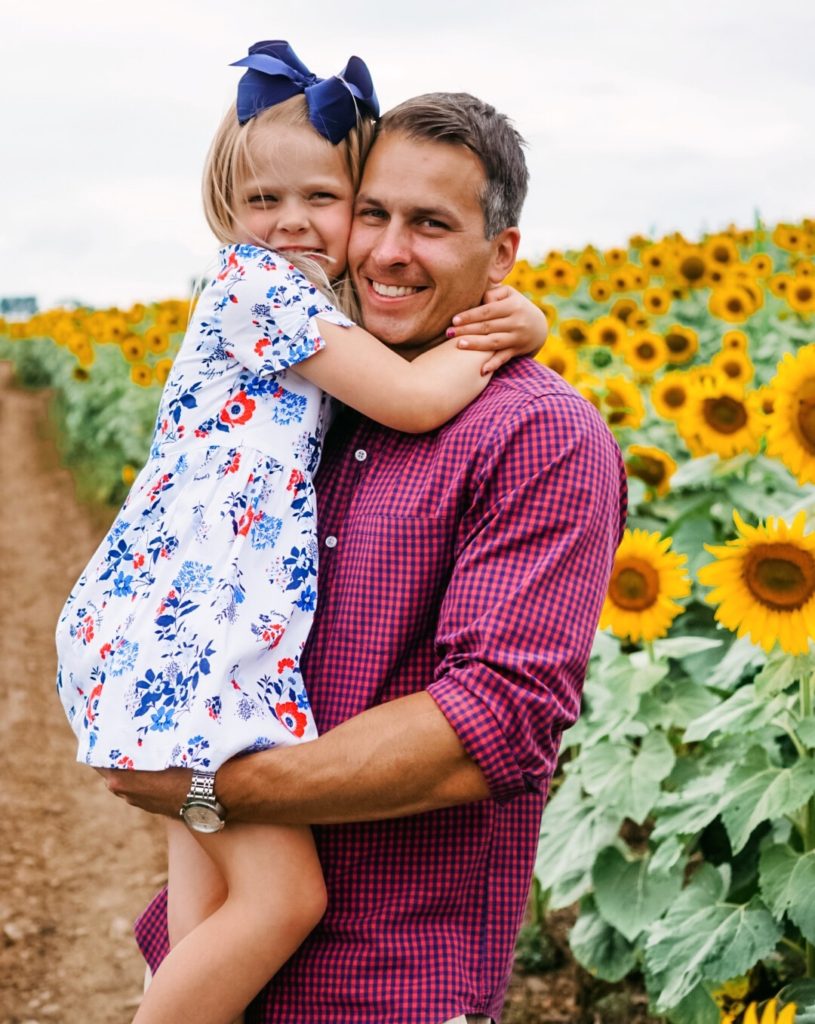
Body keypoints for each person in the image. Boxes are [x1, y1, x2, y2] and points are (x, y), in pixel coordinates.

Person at [100, 82, 627, 1024]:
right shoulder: (313, 393)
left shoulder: (539, 437)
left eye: (429, 223)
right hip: (214, 953)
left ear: (499, 253)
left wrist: (208, 785)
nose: (386, 249)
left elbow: (493, 721)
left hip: (381, 980)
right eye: (372, 213)